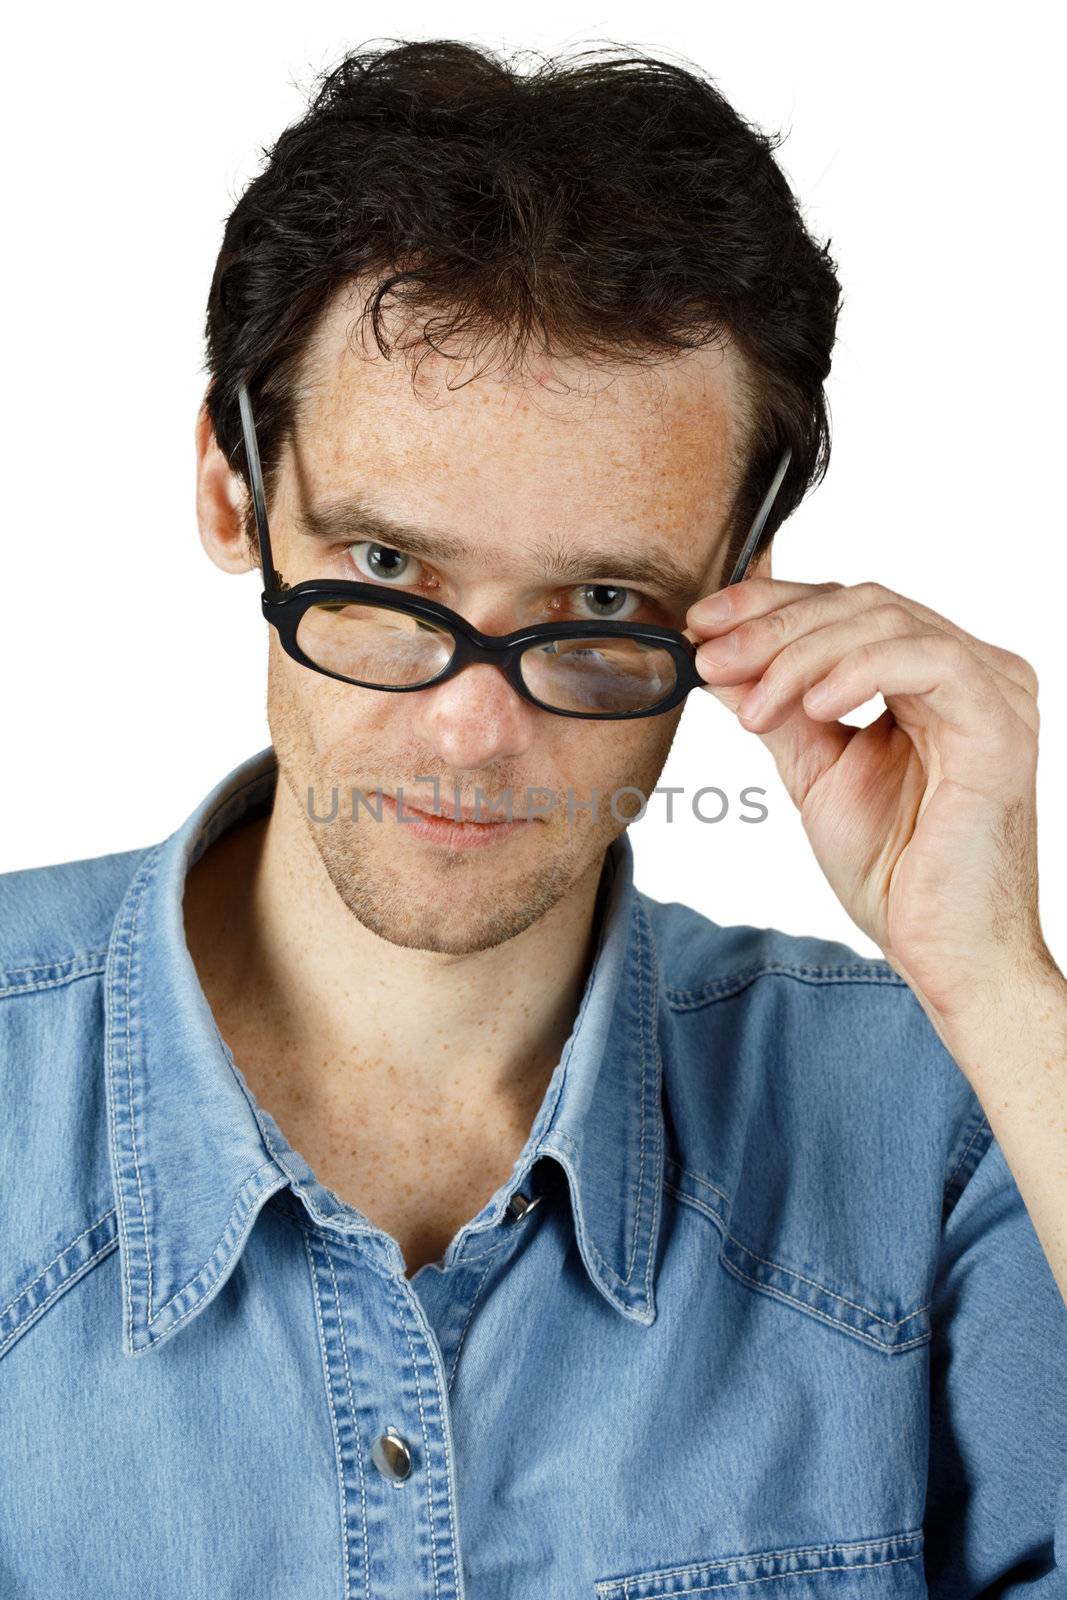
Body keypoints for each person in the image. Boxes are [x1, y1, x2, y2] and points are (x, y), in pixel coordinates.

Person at [1, 38, 1064, 1599]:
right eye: (384, 575)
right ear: (235, 491)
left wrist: (1000, 985)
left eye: (601, 603)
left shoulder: (956, 1122)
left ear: (743, 581)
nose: (471, 729)